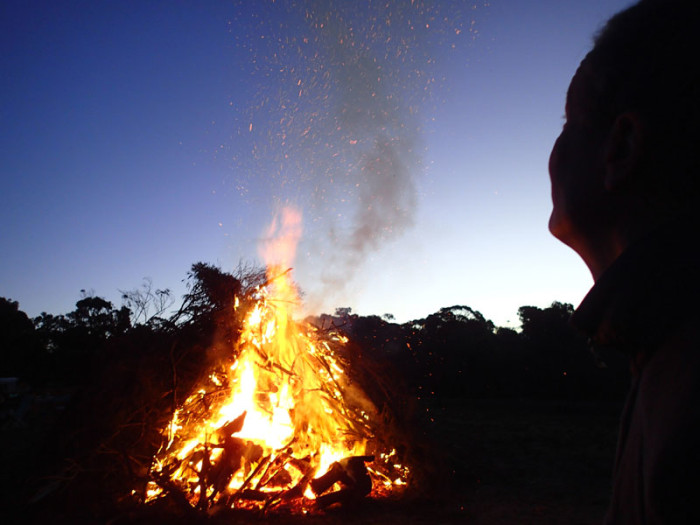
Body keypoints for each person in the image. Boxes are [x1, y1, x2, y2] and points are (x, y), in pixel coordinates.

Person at [548, 0, 700, 522]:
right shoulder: (657, 344)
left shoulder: (688, 392)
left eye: (569, 124)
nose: (554, 149)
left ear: (623, 147)